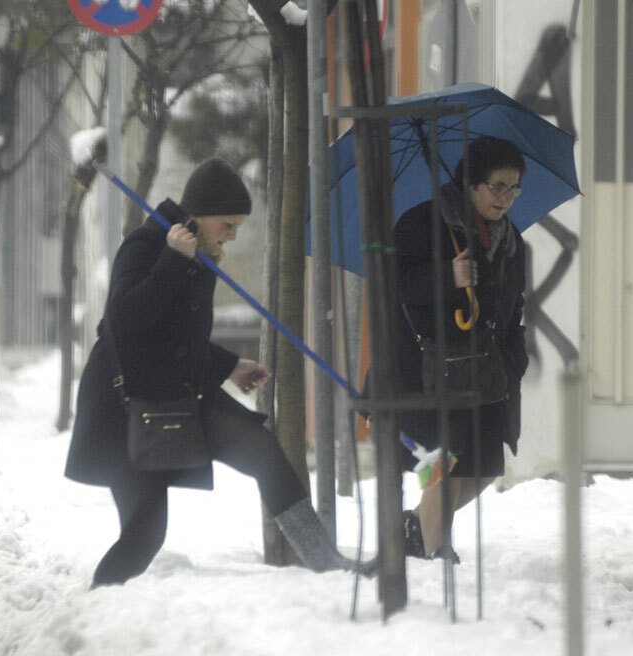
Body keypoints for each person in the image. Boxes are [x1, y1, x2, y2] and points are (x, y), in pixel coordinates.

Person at [66, 158, 373, 586]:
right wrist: (173, 261)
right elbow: (124, 321)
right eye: (227, 224)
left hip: (180, 393)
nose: (231, 235)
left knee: (263, 451)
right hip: (128, 406)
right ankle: (97, 609)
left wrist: (230, 365)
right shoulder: (147, 243)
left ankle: (327, 563)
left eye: (237, 226)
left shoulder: (197, 253)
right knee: (146, 532)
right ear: (198, 214)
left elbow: (176, 339)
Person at [393, 136, 530, 562]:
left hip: (488, 371)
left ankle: (415, 527)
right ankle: (435, 554)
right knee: (444, 461)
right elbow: (396, 287)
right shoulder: (421, 225)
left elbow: (514, 303)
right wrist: (446, 276)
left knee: (483, 468)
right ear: (471, 183)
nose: (506, 198)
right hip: (432, 367)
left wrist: (515, 356)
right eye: (497, 187)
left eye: (514, 189)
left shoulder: (511, 241)